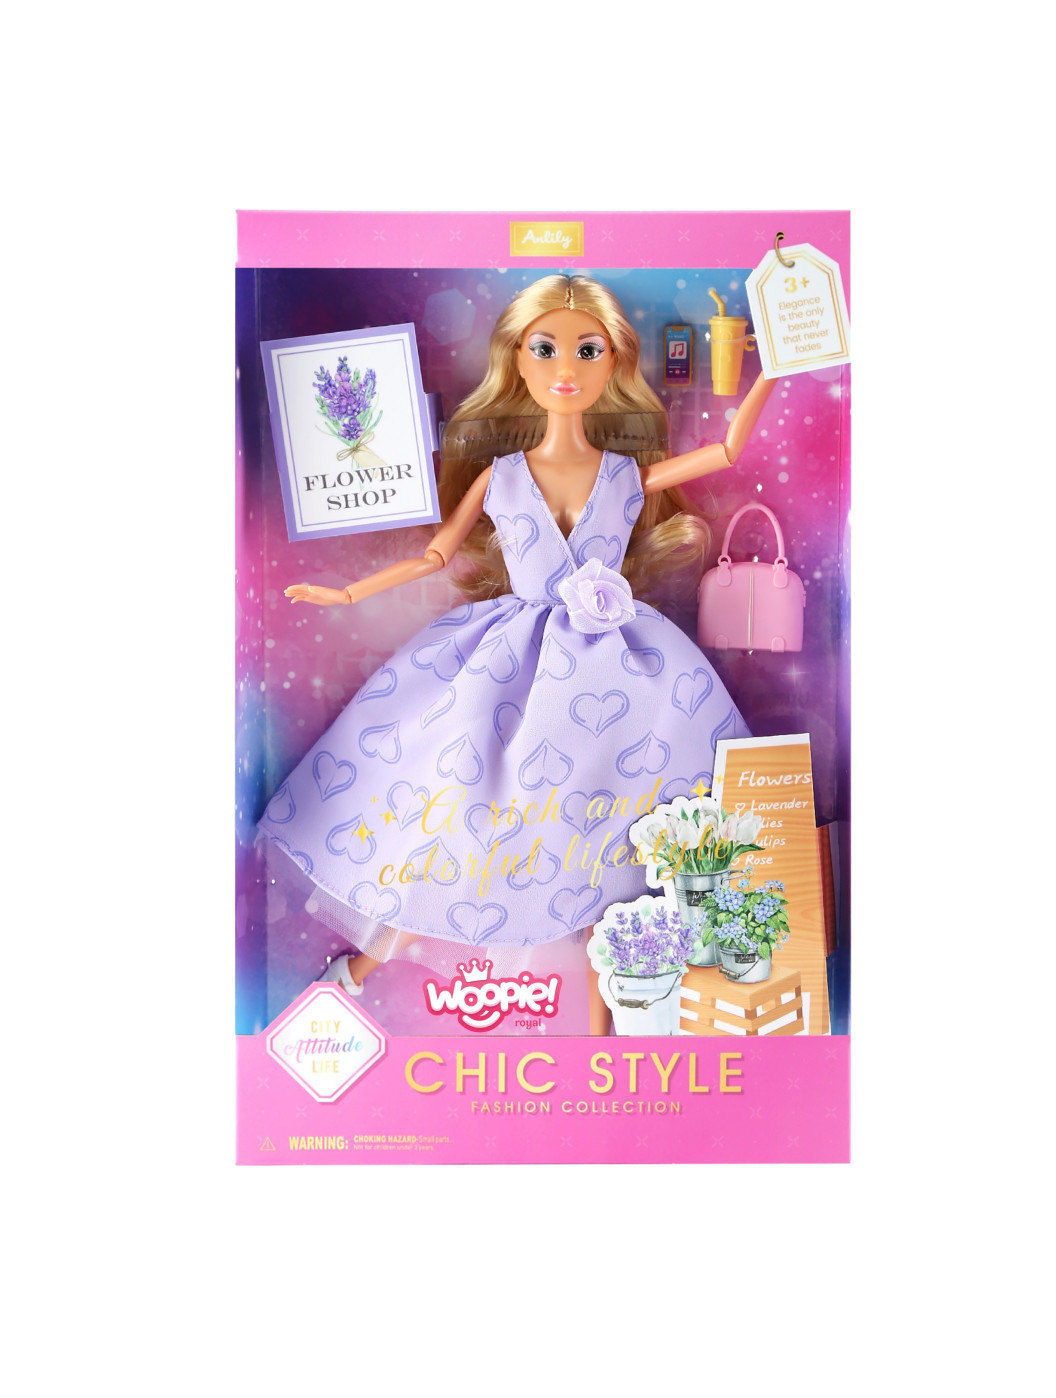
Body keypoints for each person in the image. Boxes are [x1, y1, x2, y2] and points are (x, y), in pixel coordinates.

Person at [259, 274, 775, 1030]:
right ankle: (357, 972)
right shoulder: (501, 476)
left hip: (623, 675)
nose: (566, 367)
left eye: (587, 349)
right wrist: (347, 594)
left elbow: (726, 450)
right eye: (545, 348)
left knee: (616, 849)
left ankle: (606, 1036)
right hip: (505, 671)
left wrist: (774, 368)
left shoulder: (624, 475)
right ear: (518, 360)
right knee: (455, 822)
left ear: (613, 362)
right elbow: (436, 555)